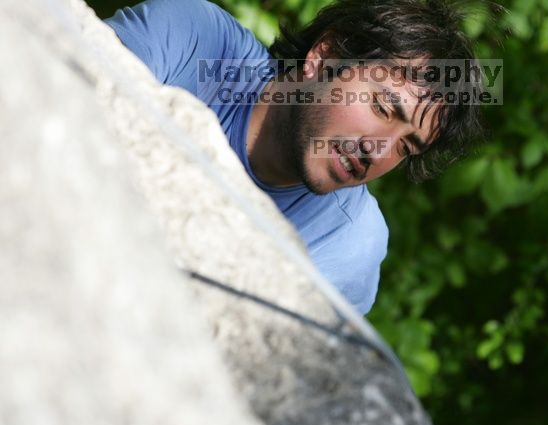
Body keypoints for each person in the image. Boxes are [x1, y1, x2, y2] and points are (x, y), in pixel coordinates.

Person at [105, 0, 481, 315]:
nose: (378, 150)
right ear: (324, 57)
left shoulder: (347, 245)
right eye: (382, 107)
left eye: (406, 147)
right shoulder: (190, 41)